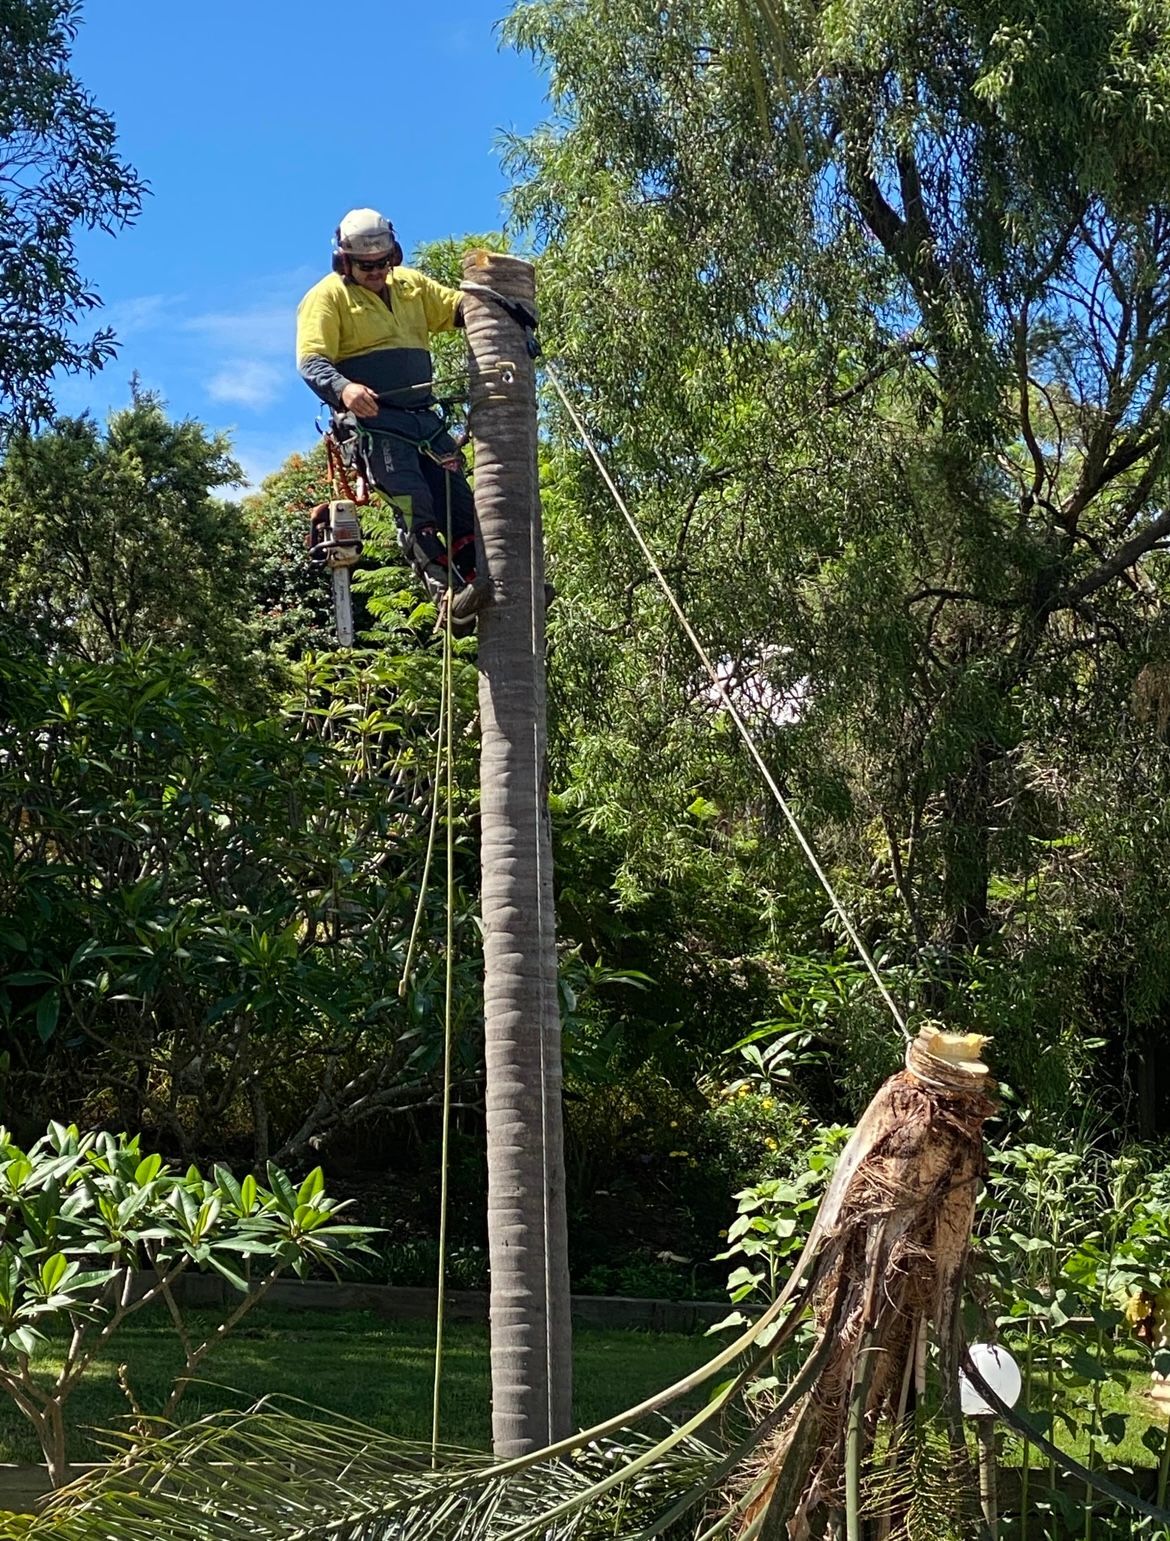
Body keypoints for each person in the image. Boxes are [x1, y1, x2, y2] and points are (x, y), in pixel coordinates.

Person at [296, 208, 490, 631]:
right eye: (366, 266)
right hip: (376, 427)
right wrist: (345, 389)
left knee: (458, 503)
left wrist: (496, 297)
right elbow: (311, 361)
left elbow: (458, 310)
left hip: (423, 420)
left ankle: (484, 583)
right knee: (413, 504)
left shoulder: (411, 286)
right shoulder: (327, 297)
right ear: (344, 260)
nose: (377, 272)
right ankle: (446, 596)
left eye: (384, 262)